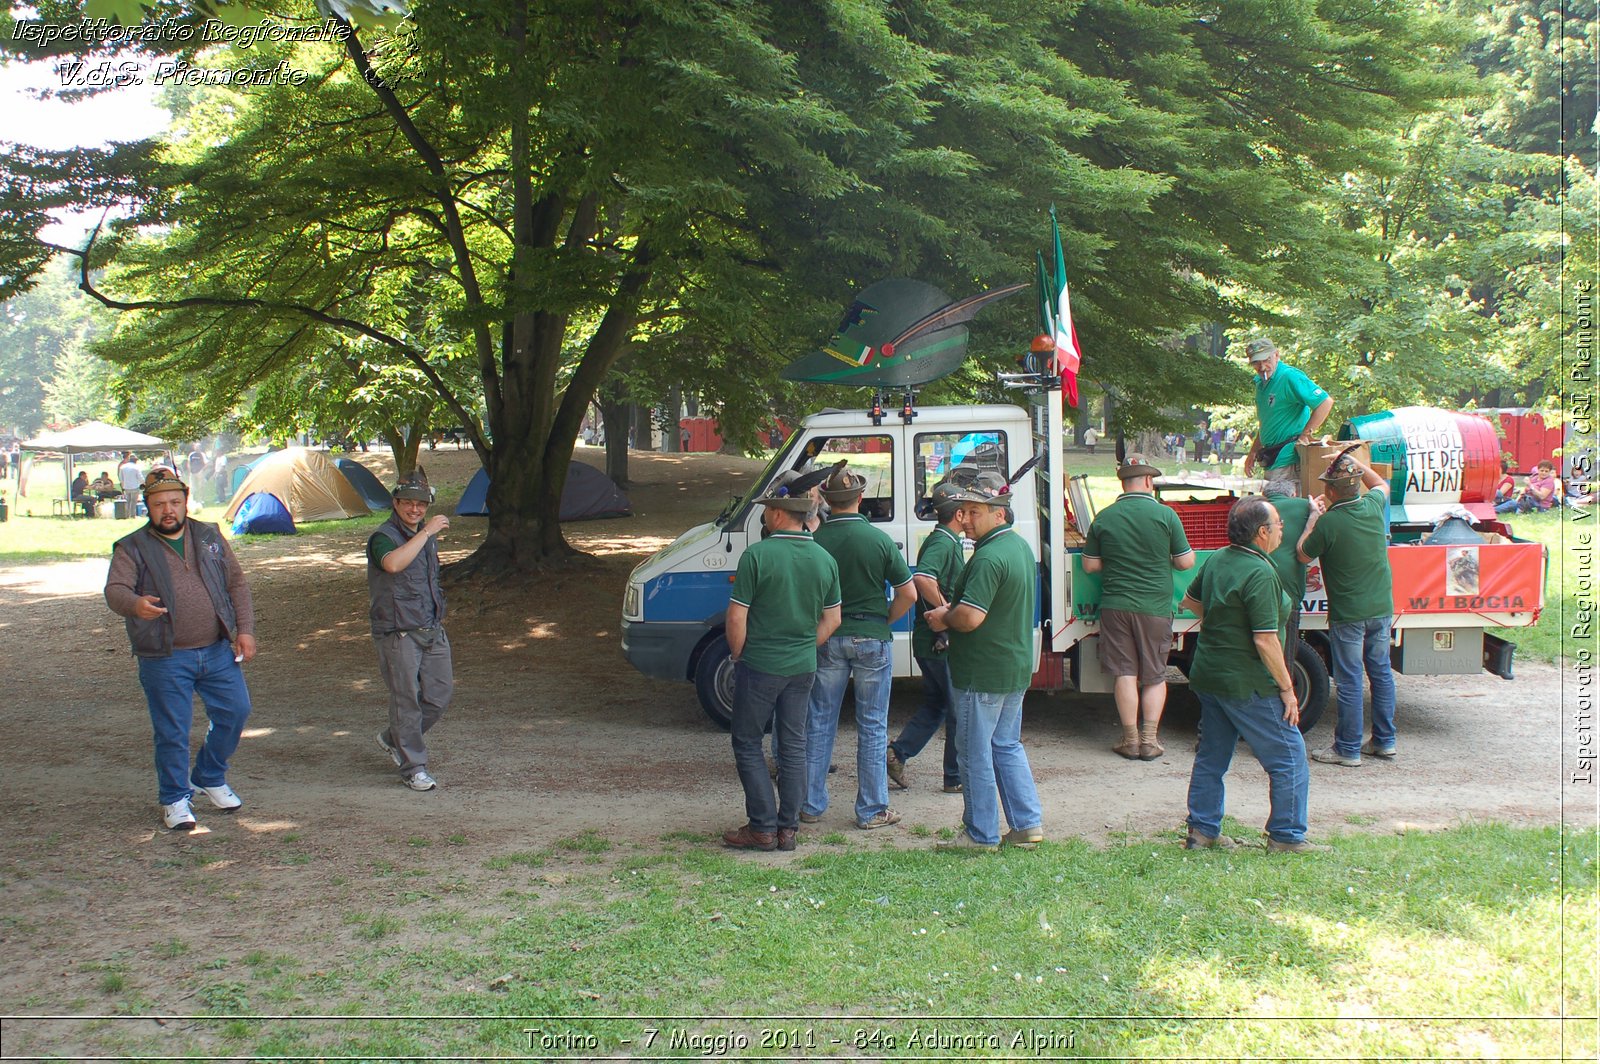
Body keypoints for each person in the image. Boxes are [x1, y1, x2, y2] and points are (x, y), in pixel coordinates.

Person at [103, 469, 257, 831]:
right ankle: (175, 798)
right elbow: (114, 590)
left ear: (186, 501)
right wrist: (135, 604)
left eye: (174, 502)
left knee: (236, 711)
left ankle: (208, 775)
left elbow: (236, 584)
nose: (167, 510)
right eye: (158, 505)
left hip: (217, 648)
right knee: (172, 730)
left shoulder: (208, 536)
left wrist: (245, 630)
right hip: (165, 655)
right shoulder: (132, 546)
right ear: (148, 507)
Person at [1180, 495, 1324, 853]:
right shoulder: (1260, 572)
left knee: (1212, 757)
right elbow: (1265, 639)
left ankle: (1202, 831)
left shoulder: (1219, 559)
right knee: (1289, 757)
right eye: (1278, 525)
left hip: (1212, 675)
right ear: (1262, 532)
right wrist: (1288, 690)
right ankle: (1287, 836)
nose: (1282, 531)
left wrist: (1223, 621)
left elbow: (1190, 600)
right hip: (1248, 682)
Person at [723, 470, 842, 851]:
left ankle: (762, 825)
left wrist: (739, 653)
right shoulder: (824, 559)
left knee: (747, 741)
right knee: (794, 744)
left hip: (760, 663)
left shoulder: (757, 555)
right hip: (802, 665)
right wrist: (808, 645)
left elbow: (737, 616)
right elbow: (833, 619)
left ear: (776, 514)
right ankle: (788, 828)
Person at [927, 472, 1045, 852]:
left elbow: (971, 617)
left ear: (999, 513)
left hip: (982, 672)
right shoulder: (1019, 548)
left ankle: (980, 834)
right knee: (1006, 745)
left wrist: (943, 616)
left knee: (974, 751)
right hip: (1013, 666)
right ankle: (1026, 825)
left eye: (974, 511)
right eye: (963, 511)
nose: (965, 519)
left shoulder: (988, 557)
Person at [801, 463, 917, 830]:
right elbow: (908, 593)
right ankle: (871, 809)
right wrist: (884, 619)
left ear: (828, 501)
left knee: (820, 720)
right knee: (872, 725)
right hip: (871, 638)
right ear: (861, 498)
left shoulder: (816, 541)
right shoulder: (879, 540)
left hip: (829, 638)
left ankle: (810, 804)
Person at [1082, 454, 1196, 760]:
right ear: (1148, 481)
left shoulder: (1104, 517)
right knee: (1155, 675)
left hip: (1115, 605)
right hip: (1155, 607)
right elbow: (1185, 562)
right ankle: (1149, 740)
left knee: (1124, 673)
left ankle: (1129, 739)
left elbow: (1090, 565)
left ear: (1123, 482)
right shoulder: (1166, 516)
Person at [1297, 450, 1396, 767]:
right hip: (1381, 608)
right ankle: (1384, 742)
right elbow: (1381, 483)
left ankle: (1348, 749)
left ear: (1329, 491)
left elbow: (1301, 554)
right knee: (1380, 675)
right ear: (1355, 485)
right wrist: (1357, 466)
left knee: (1351, 680)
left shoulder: (1329, 523)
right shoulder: (1372, 505)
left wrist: (1313, 517)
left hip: (1349, 615)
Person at [369, 470, 454, 792]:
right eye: (408, 503)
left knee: (439, 696)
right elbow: (392, 565)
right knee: (406, 701)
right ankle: (413, 767)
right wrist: (427, 533)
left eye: (421, 504)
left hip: (430, 627)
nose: (415, 510)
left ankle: (393, 739)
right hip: (397, 631)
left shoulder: (424, 536)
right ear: (395, 503)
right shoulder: (383, 536)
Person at [886, 480, 967, 795]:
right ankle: (954, 776)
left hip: (930, 639)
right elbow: (922, 578)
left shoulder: (945, 539)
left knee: (938, 705)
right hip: (937, 640)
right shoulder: (944, 543)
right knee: (958, 707)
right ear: (958, 514)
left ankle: (897, 754)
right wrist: (946, 611)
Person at [1241, 338, 1333, 496]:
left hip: (1288, 459)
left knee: (1281, 510)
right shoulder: (1260, 383)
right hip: (1271, 458)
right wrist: (1253, 452)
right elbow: (1268, 424)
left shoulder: (1289, 376)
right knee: (1274, 510)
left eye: (1266, 360)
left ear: (1276, 355)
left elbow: (1325, 402)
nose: (1262, 367)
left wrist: (1305, 435)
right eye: (1256, 363)